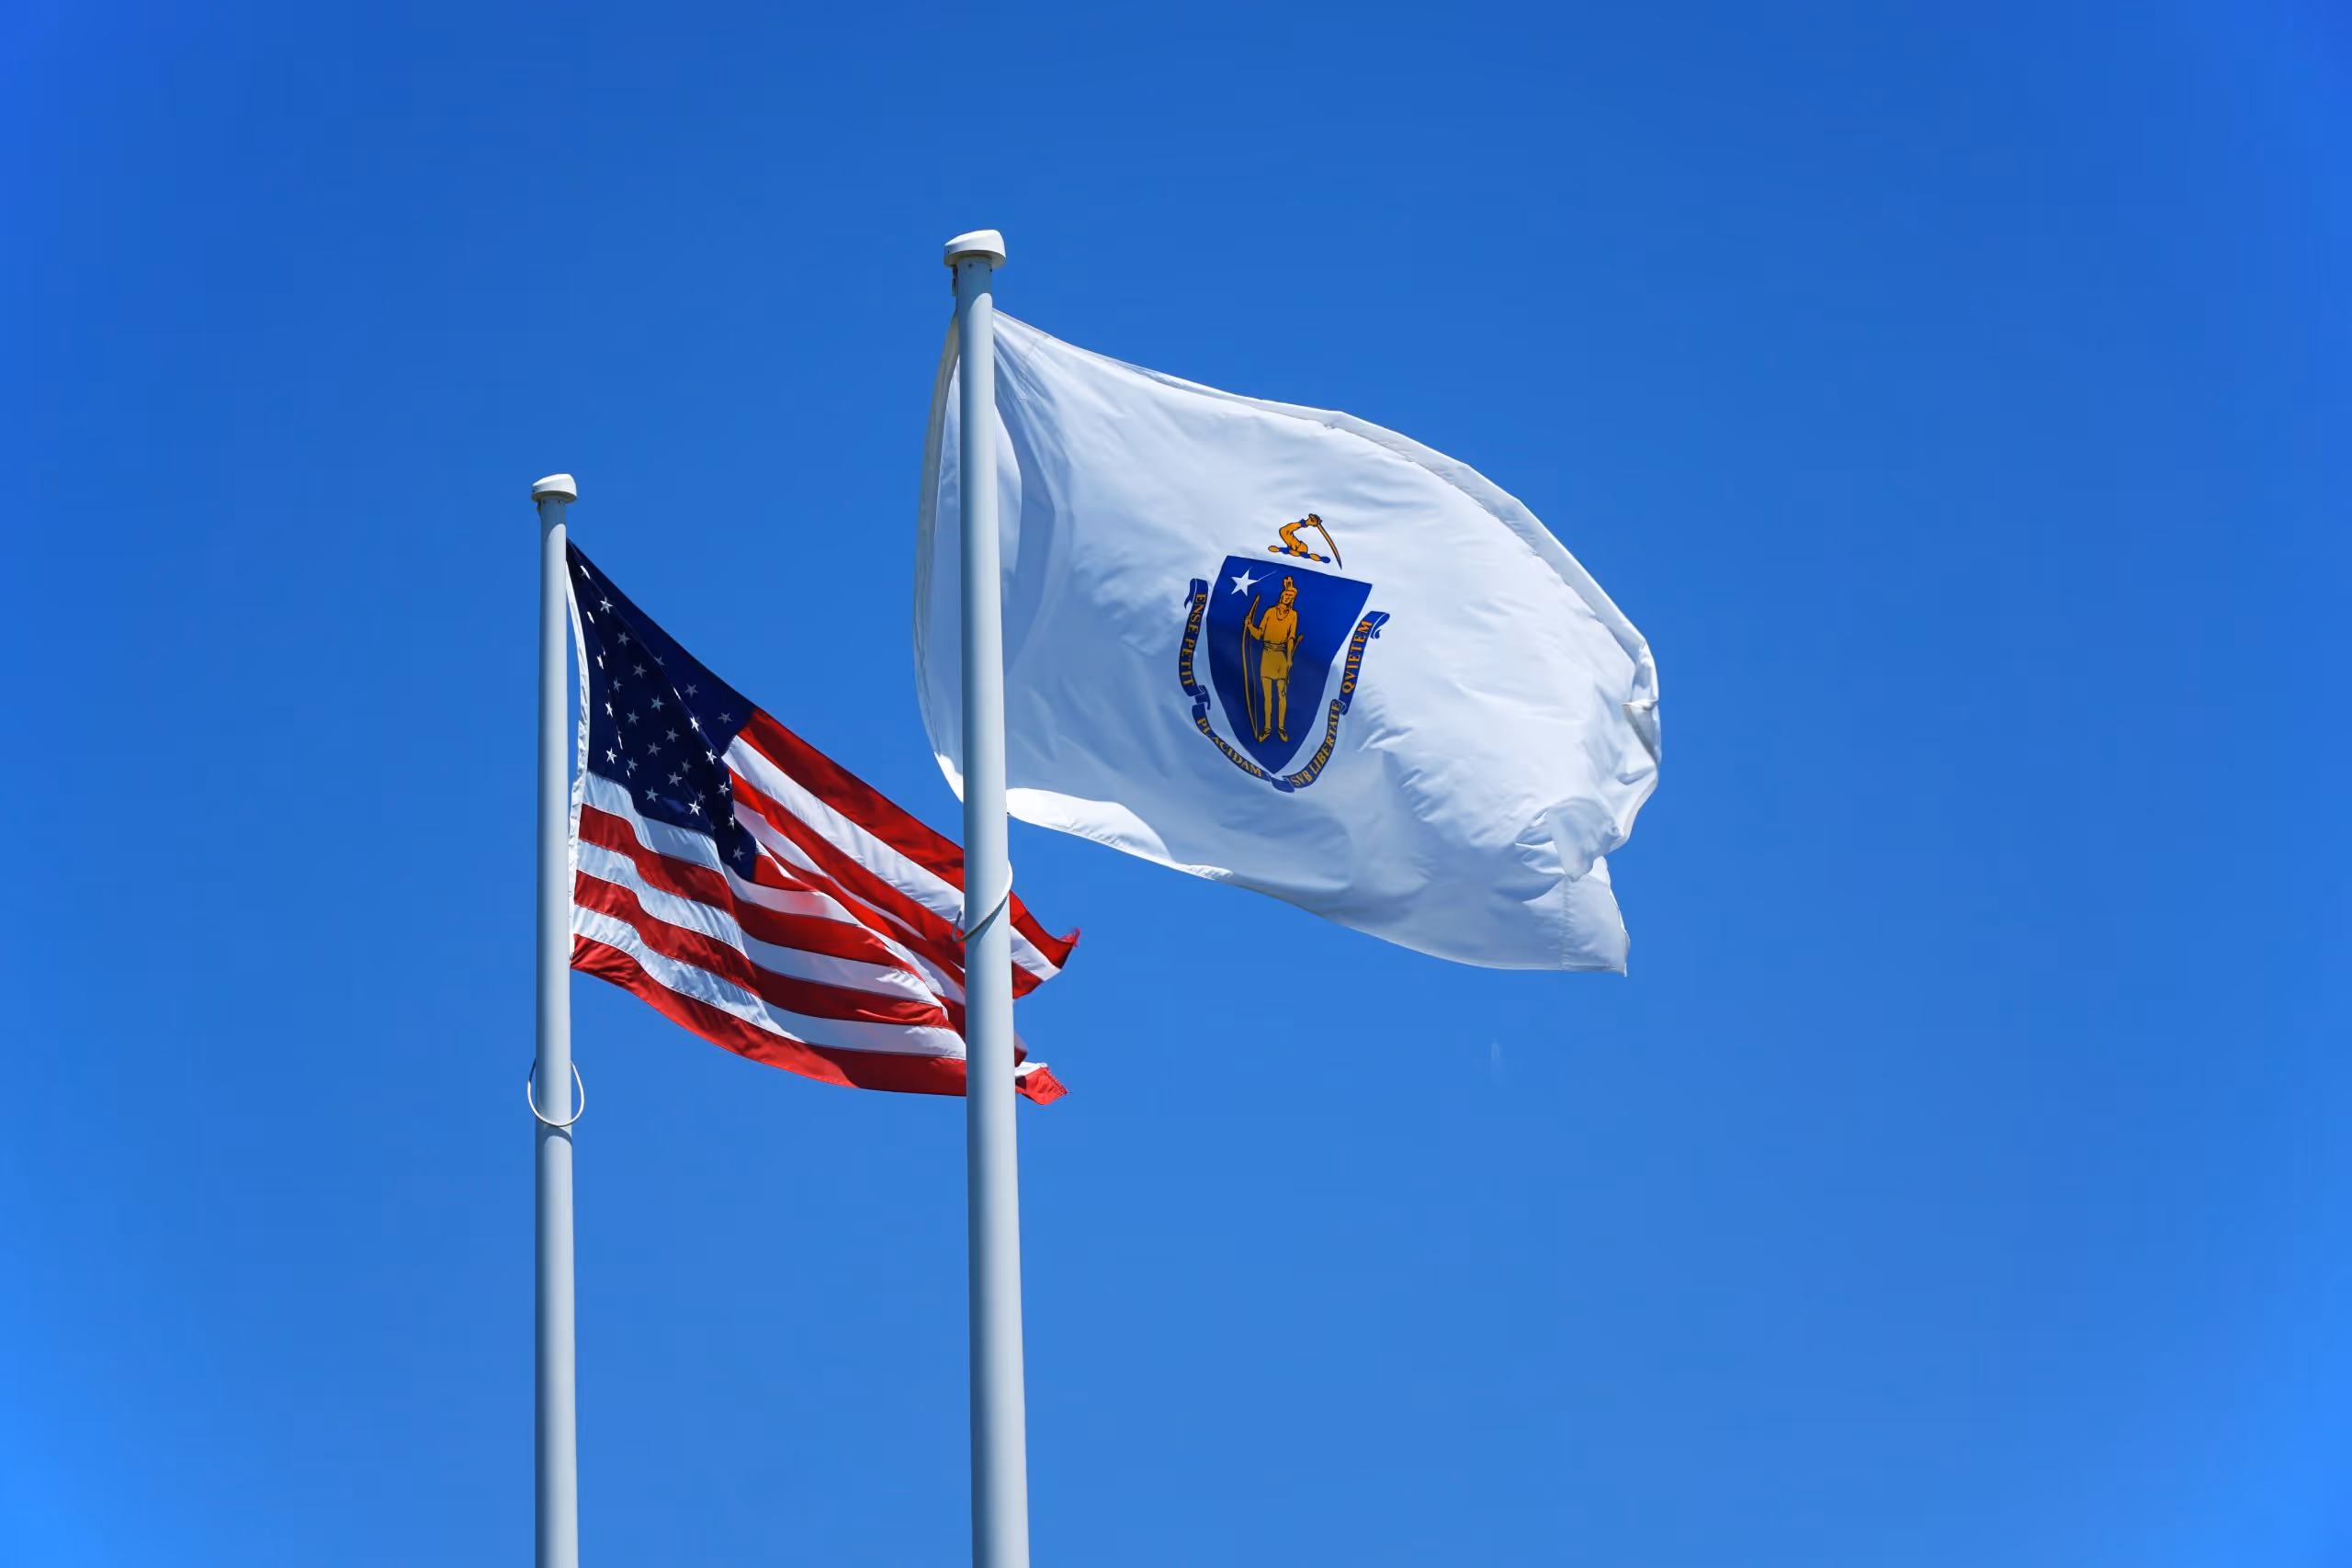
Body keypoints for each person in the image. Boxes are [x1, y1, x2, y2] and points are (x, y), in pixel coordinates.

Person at [1245, 576, 1301, 742]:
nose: (1287, 597)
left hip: (1281, 656)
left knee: (1282, 695)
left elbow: (1291, 638)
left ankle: (1281, 728)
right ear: (1282, 595)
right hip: (1267, 655)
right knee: (1267, 696)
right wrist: (1249, 626)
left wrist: (1289, 659)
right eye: (1286, 594)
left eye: (1290, 596)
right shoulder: (1270, 612)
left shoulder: (1293, 615)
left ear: (1292, 600)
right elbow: (1259, 635)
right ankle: (1267, 729)